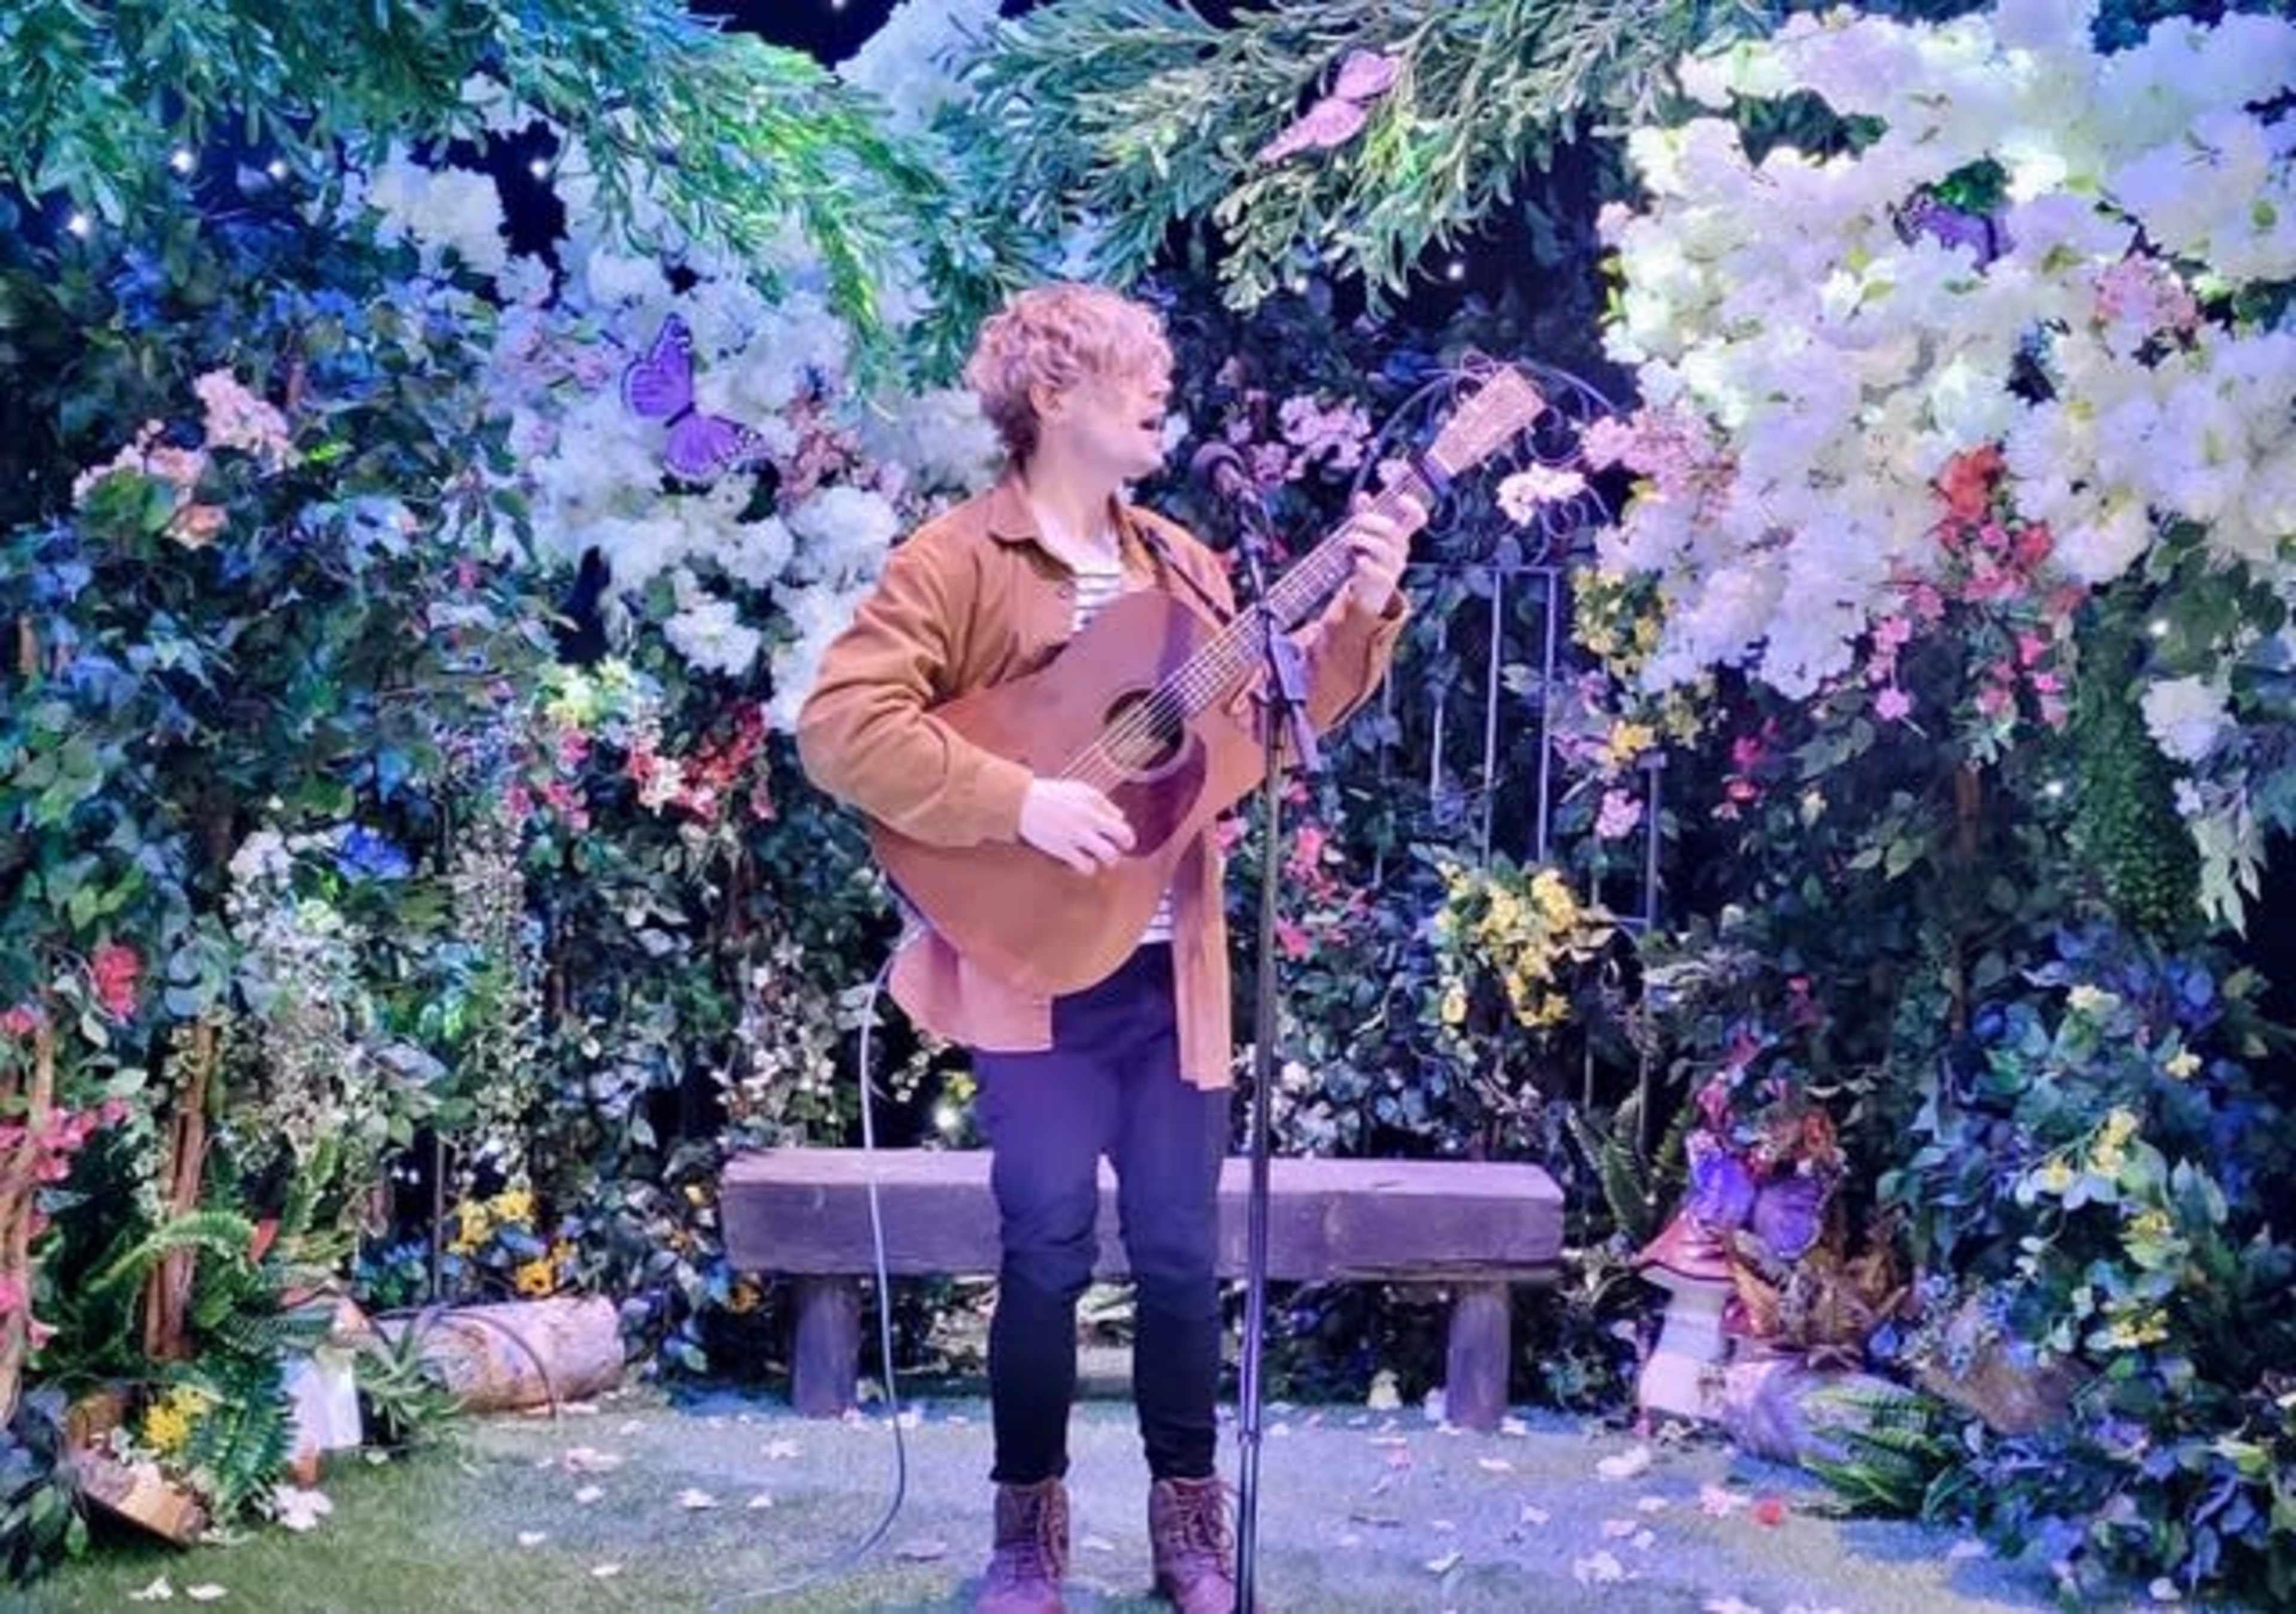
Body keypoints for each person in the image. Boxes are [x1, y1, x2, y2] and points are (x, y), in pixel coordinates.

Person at [796, 283, 1419, 1614]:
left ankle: (1191, 1529)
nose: (1161, 392)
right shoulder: (958, 560)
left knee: (1188, 1251)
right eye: (1138, 371)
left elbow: (1274, 708)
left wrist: (1362, 609)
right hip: (1027, 972)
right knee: (1048, 1249)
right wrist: (1020, 799)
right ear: (1055, 396)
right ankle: (1028, 1538)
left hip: (1168, 965)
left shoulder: (1186, 563)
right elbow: (841, 727)